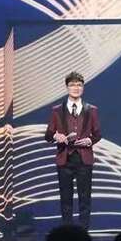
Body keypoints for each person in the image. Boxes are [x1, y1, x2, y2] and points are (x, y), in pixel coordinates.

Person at [44, 71, 102, 229]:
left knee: (85, 199)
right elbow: (48, 135)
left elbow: (97, 134)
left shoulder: (91, 110)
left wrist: (90, 140)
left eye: (79, 85)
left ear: (83, 87)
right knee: (66, 199)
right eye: (72, 85)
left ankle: (83, 233)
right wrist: (56, 136)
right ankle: (67, 233)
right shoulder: (57, 110)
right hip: (65, 159)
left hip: (84, 159)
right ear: (67, 87)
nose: (76, 88)